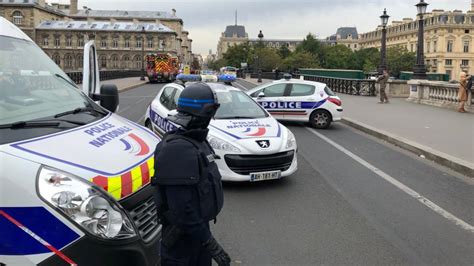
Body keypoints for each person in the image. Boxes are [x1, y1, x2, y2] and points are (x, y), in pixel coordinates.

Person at [151, 82, 231, 266]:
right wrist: (211, 244)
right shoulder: (177, 149)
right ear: (202, 113)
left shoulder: (195, 140)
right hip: (182, 245)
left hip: (196, 236)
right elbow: (182, 209)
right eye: (210, 112)